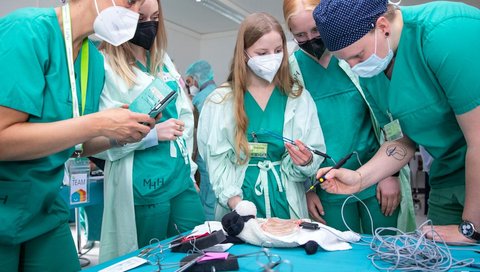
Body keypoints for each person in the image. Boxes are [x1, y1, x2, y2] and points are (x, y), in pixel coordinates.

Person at [0, 0, 156, 270]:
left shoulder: (92, 60)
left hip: (44, 208)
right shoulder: (26, 31)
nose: (134, 15)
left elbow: (74, 146)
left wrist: (118, 134)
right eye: (130, 2)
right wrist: (97, 123)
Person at [313, 0, 480, 244]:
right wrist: (359, 179)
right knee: (438, 256)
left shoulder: (445, 31)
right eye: (345, 61)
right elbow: (402, 140)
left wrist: (472, 228)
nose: (354, 67)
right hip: (447, 177)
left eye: (358, 55)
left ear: (382, 26)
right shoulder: (372, 73)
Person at [283, 0, 415, 235]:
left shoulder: (357, 53)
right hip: (328, 185)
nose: (311, 38)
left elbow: (388, 117)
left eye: (316, 30)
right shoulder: (292, 71)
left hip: (376, 176)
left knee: (387, 250)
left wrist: (390, 174)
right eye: (300, 35)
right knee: (341, 253)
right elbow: (292, 138)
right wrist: (308, 188)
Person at [96, 0, 205, 262]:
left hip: (179, 178)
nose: (149, 25)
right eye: (141, 18)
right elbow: (101, 138)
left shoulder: (162, 60)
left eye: (155, 17)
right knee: (150, 262)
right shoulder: (106, 65)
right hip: (143, 184)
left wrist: (189, 172)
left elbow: (183, 114)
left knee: (201, 253)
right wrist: (153, 135)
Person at [197, 12, 326, 221]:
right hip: (240, 201)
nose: (272, 58)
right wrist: (236, 202)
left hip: (286, 200)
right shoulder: (220, 101)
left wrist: (305, 161)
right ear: (244, 53)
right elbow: (216, 161)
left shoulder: (297, 97)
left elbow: (311, 151)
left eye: (277, 51)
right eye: (262, 52)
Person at [184, 60, 217, 220]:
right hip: (217, 155)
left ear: (196, 78)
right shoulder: (218, 92)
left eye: (189, 81)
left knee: (208, 197)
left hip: (208, 155)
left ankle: (209, 232)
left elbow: (201, 131)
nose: (189, 85)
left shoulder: (201, 99)